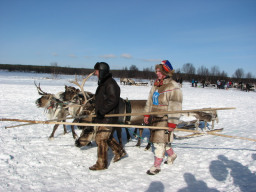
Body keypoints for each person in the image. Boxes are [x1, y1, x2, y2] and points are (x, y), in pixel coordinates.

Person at [144, 60, 183, 175]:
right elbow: (149, 101)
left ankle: (157, 166)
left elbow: (176, 105)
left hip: (165, 118)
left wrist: (172, 122)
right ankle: (172, 155)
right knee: (162, 140)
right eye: (156, 71)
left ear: (166, 72)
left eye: (159, 71)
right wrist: (147, 114)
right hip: (155, 117)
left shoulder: (173, 86)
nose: (157, 73)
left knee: (158, 142)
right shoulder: (156, 85)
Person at [89, 62, 126, 171]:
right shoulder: (104, 83)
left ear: (102, 71)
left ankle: (101, 164)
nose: (95, 73)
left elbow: (113, 100)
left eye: (96, 71)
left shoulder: (111, 84)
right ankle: (119, 151)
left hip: (109, 116)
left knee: (100, 138)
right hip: (104, 115)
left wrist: (101, 111)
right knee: (106, 137)